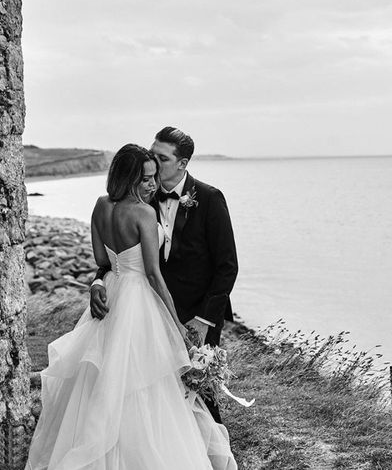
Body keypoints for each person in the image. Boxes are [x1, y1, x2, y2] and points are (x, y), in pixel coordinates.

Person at [25, 144, 237, 470]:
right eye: (146, 179)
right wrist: (177, 327)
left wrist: (98, 283)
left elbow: (102, 262)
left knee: (108, 377)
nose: (153, 185)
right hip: (139, 301)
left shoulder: (99, 206)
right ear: (129, 178)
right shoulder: (144, 213)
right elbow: (153, 274)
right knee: (143, 381)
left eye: (154, 178)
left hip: (112, 295)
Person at [90, 127, 239, 423]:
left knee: (202, 394)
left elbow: (227, 266)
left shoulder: (209, 198)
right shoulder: (140, 197)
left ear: (182, 164)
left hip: (197, 313)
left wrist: (205, 318)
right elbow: (118, 257)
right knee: (151, 391)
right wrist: (97, 281)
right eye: (152, 155)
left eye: (162, 158)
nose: (154, 165)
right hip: (149, 310)